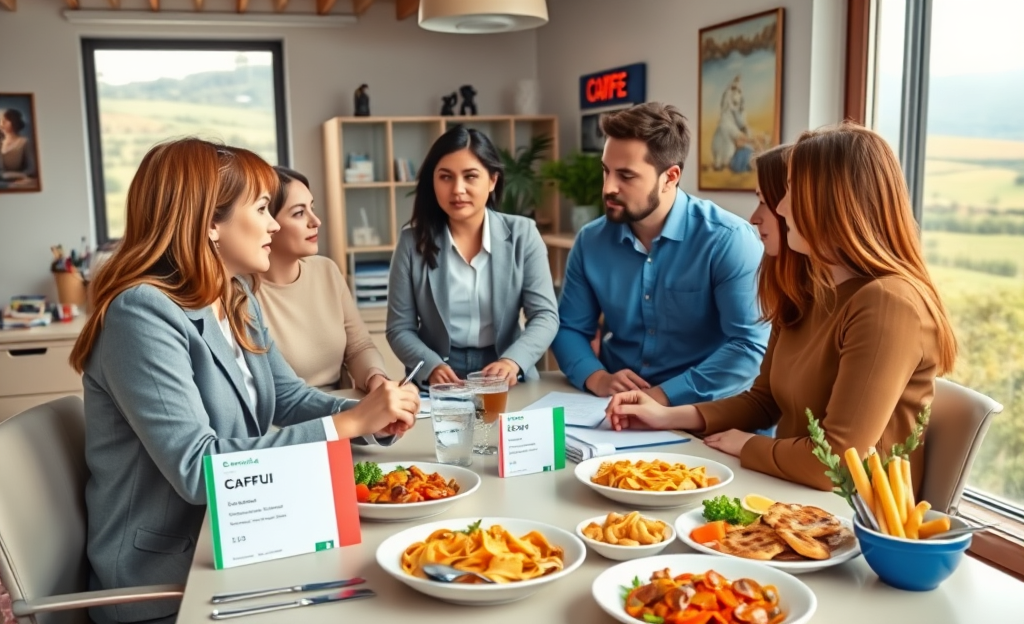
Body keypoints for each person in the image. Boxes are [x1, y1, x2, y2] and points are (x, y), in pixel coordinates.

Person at [69, 138, 419, 624]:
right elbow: (196, 468)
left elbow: (287, 398)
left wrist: (369, 416)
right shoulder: (140, 314)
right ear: (210, 222)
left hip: (246, 532)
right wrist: (349, 423)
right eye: (261, 207)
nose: (274, 223)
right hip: (171, 576)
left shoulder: (232, 294)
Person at [607, 123, 957, 493]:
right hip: (793, 495)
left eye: (791, 191)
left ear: (833, 202)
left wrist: (747, 445)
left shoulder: (889, 303)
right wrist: (665, 417)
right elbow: (765, 399)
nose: (781, 207)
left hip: (856, 520)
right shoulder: (810, 290)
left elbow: (836, 462)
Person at [551, 102, 768, 407]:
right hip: (614, 405)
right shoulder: (591, 241)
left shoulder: (728, 241)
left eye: (626, 176)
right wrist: (598, 378)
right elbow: (570, 327)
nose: (608, 187)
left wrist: (658, 398)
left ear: (670, 177)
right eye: (606, 171)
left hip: (702, 412)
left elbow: (748, 348)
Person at [387, 125, 559, 386]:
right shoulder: (412, 241)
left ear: (492, 180)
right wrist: (430, 365)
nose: (457, 189)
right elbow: (399, 328)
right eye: (445, 177)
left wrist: (513, 361)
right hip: (439, 377)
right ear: (432, 181)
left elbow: (545, 315)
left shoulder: (524, 234)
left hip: (506, 371)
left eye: (470, 176)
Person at [256, 166, 389, 392]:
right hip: (291, 421)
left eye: (312, 208)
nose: (315, 221)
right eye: (299, 213)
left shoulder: (326, 270)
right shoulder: (241, 293)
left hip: (346, 409)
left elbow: (358, 347)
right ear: (268, 223)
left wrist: (377, 380)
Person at [1, 108, 37, 178]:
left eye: (7, 119)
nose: (3, 122)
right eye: (2, 119)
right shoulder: (1, 142)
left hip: (16, 180)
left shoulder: (24, 142)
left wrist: (16, 175)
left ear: (14, 122)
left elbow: (32, 168)